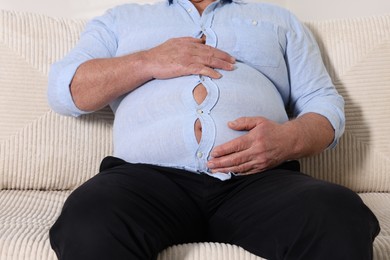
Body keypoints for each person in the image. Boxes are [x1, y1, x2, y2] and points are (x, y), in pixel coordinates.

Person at [47, 0, 380, 259]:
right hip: (143, 181)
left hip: (259, 182)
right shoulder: (119, 20)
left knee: (337, 213)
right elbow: (65, 91)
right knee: (90, 218)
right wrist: (146, 61)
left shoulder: (279, 20)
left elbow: (325, 105)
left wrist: (289, 138)